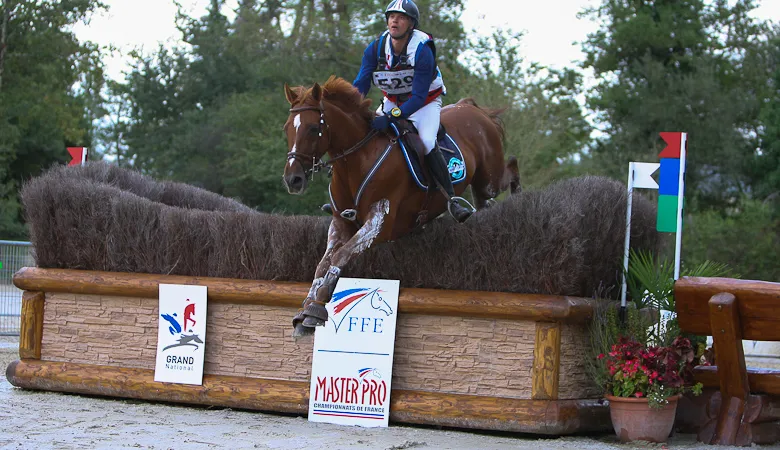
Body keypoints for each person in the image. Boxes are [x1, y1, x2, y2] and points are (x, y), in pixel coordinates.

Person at [352, 0, 473, 223]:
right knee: (366, 137)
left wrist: (390, 118)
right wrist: (349, 105)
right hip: (392, 101)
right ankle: (351, 198)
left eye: (401, 17)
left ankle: (451, 199)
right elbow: (361, 84)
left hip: (425, 103)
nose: (394, 21)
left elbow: (417, 98)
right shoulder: (375, 48)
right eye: (391, 16)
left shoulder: (422, 50)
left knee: (426, 142)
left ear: (411, 24)